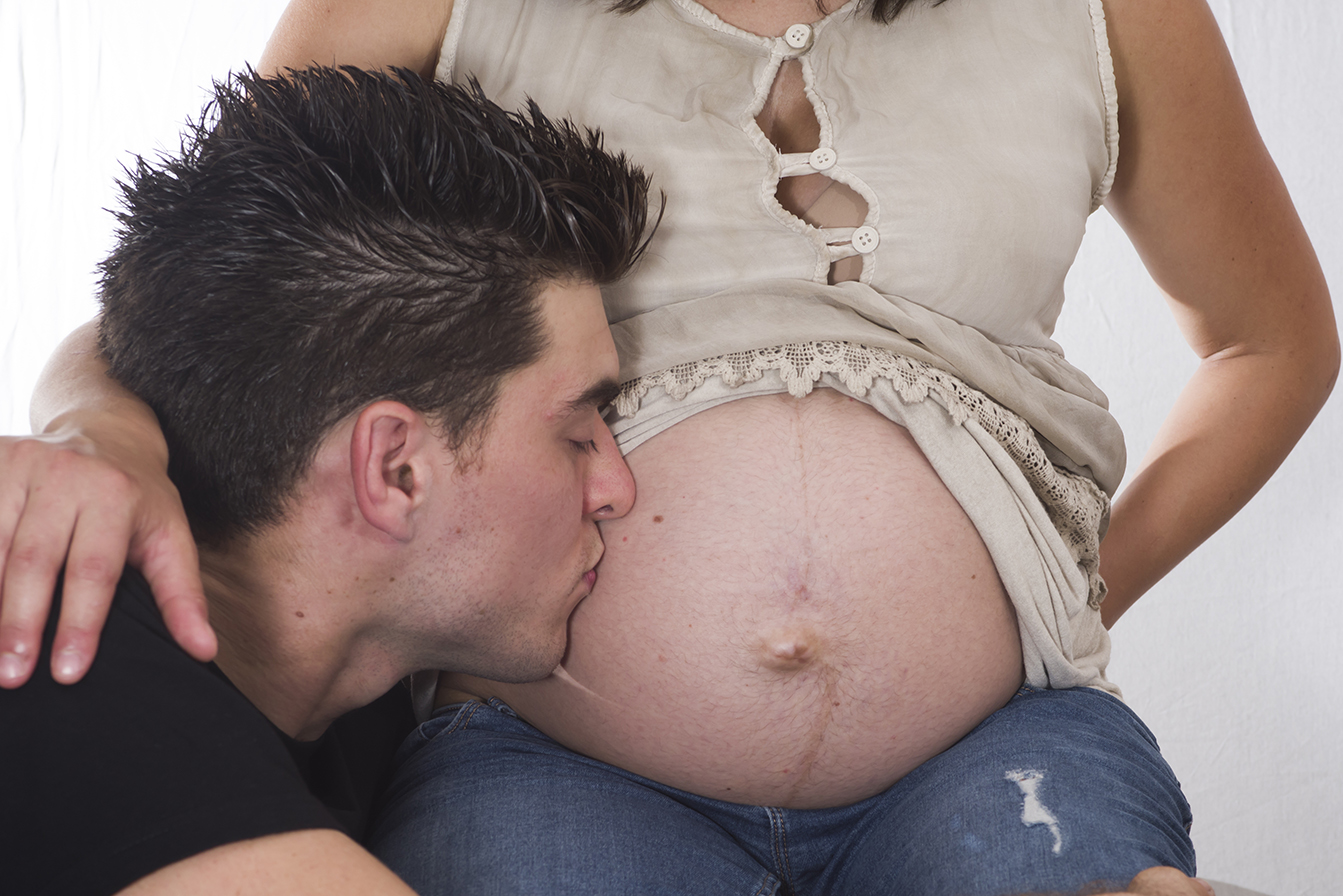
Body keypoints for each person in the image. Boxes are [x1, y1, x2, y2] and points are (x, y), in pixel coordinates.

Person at [1, 0, 1336, 894]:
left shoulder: (1109, 14)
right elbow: (202, 285)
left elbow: (1267, 340)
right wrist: (96, 432)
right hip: (540, 742)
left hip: (995, 745)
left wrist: (1052, 597)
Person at [0, 65, 654, 896]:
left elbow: (145, 336)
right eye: (576, 434)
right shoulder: (63, 663)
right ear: (395, 470)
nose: (616, 489)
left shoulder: (346, 657)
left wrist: (96, 424)